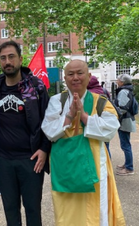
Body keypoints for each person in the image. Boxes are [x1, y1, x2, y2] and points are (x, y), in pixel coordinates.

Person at [0, 40, 51, 226]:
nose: (7, 61)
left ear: (20, 59)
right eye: (3, 58)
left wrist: (44, 149)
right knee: (10, 209)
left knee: (33, 209)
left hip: (31, 160)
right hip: (3, 161)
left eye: (11, 57)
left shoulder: (36, 87)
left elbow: (49, 120)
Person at [41, 60, 125, 226]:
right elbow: (49, 131)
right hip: (65, 170)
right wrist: (69, 116)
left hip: (94, 168)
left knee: (95, 213)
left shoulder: (100, 102)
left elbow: (111, 129)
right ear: (65, 78)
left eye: (80, 73)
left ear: (89, 76)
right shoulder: (57, 101)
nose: (75, 78)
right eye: (70, 74)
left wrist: (84, 116)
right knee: (66, 214)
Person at [115, 74, 136, 176]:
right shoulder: (128, 90)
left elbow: (122, 108)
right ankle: (127, 164)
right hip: (127, 120)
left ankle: (129, 168)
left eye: (118, 80)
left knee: (125, 145)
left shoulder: (123, 91)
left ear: (122, 82)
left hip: (124, 121)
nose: (117, 81)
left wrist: (113, 114)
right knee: (126, 144)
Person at [87, 75, 112, 157]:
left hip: (94, 119)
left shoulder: (89, 93)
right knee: (106, 144)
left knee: (97, 146)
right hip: (103, 118)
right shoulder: (104, 90)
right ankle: (108, 161)